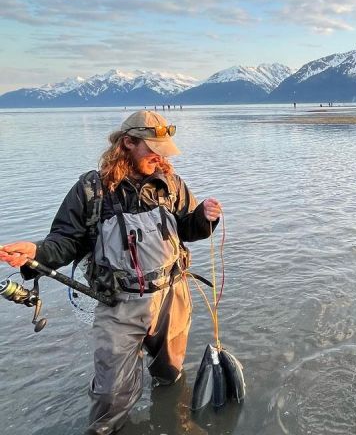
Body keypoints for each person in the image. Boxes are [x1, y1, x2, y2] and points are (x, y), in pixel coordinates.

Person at [0, 110, 222, 434]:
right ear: (128, 143)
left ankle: (172, 420)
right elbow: (65, 240)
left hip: (172, 298)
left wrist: (204, 217)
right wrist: (36, 251)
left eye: (164, 150)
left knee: (171, 374)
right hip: (118, 304)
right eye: (152, 149)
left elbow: (187, 228)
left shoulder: (170, 183)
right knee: (109, 396)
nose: (160, 157)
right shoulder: (91, 189)